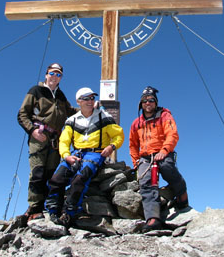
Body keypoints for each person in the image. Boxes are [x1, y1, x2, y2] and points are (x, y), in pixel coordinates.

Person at [45, 87, 125, 228]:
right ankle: (53, 210)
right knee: (57, 177)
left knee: (81, 177)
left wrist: (111, 147)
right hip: (76, 154)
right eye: (86, 98)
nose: (90, 101)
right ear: (78, 101)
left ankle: (69, 213)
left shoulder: (104, 117)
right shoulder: (71, 120)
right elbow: (64, 141)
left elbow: (118, 134)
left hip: (95, 153)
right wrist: (66, 155)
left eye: (92, 98)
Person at [17, 63, 78, 222]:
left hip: (55, 140)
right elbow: (22, 114)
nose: (55, 77)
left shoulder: (61, 96)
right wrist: (32, 131)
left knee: (52, 175)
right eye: (52, 73)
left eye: (58, 75)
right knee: (37, 172)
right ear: (46, 74)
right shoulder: (35, 91)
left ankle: (45, 206)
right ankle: (35, 208)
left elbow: (71, 112)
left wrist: (89, 106)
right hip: (39, 137)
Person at [129, 86, 188, 232]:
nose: (147, 103)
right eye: (144, 101)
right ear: (141, 104)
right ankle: (153, 218)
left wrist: (164, 150)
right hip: (145, 157)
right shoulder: (137, 123)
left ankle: (181, 193)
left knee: (168, 168)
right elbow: (133, 144)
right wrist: (136, 161)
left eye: (150, 100)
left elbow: (172, 134)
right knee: (145, 181)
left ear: (155, 102)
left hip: (163, 152)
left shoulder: (164, 116)